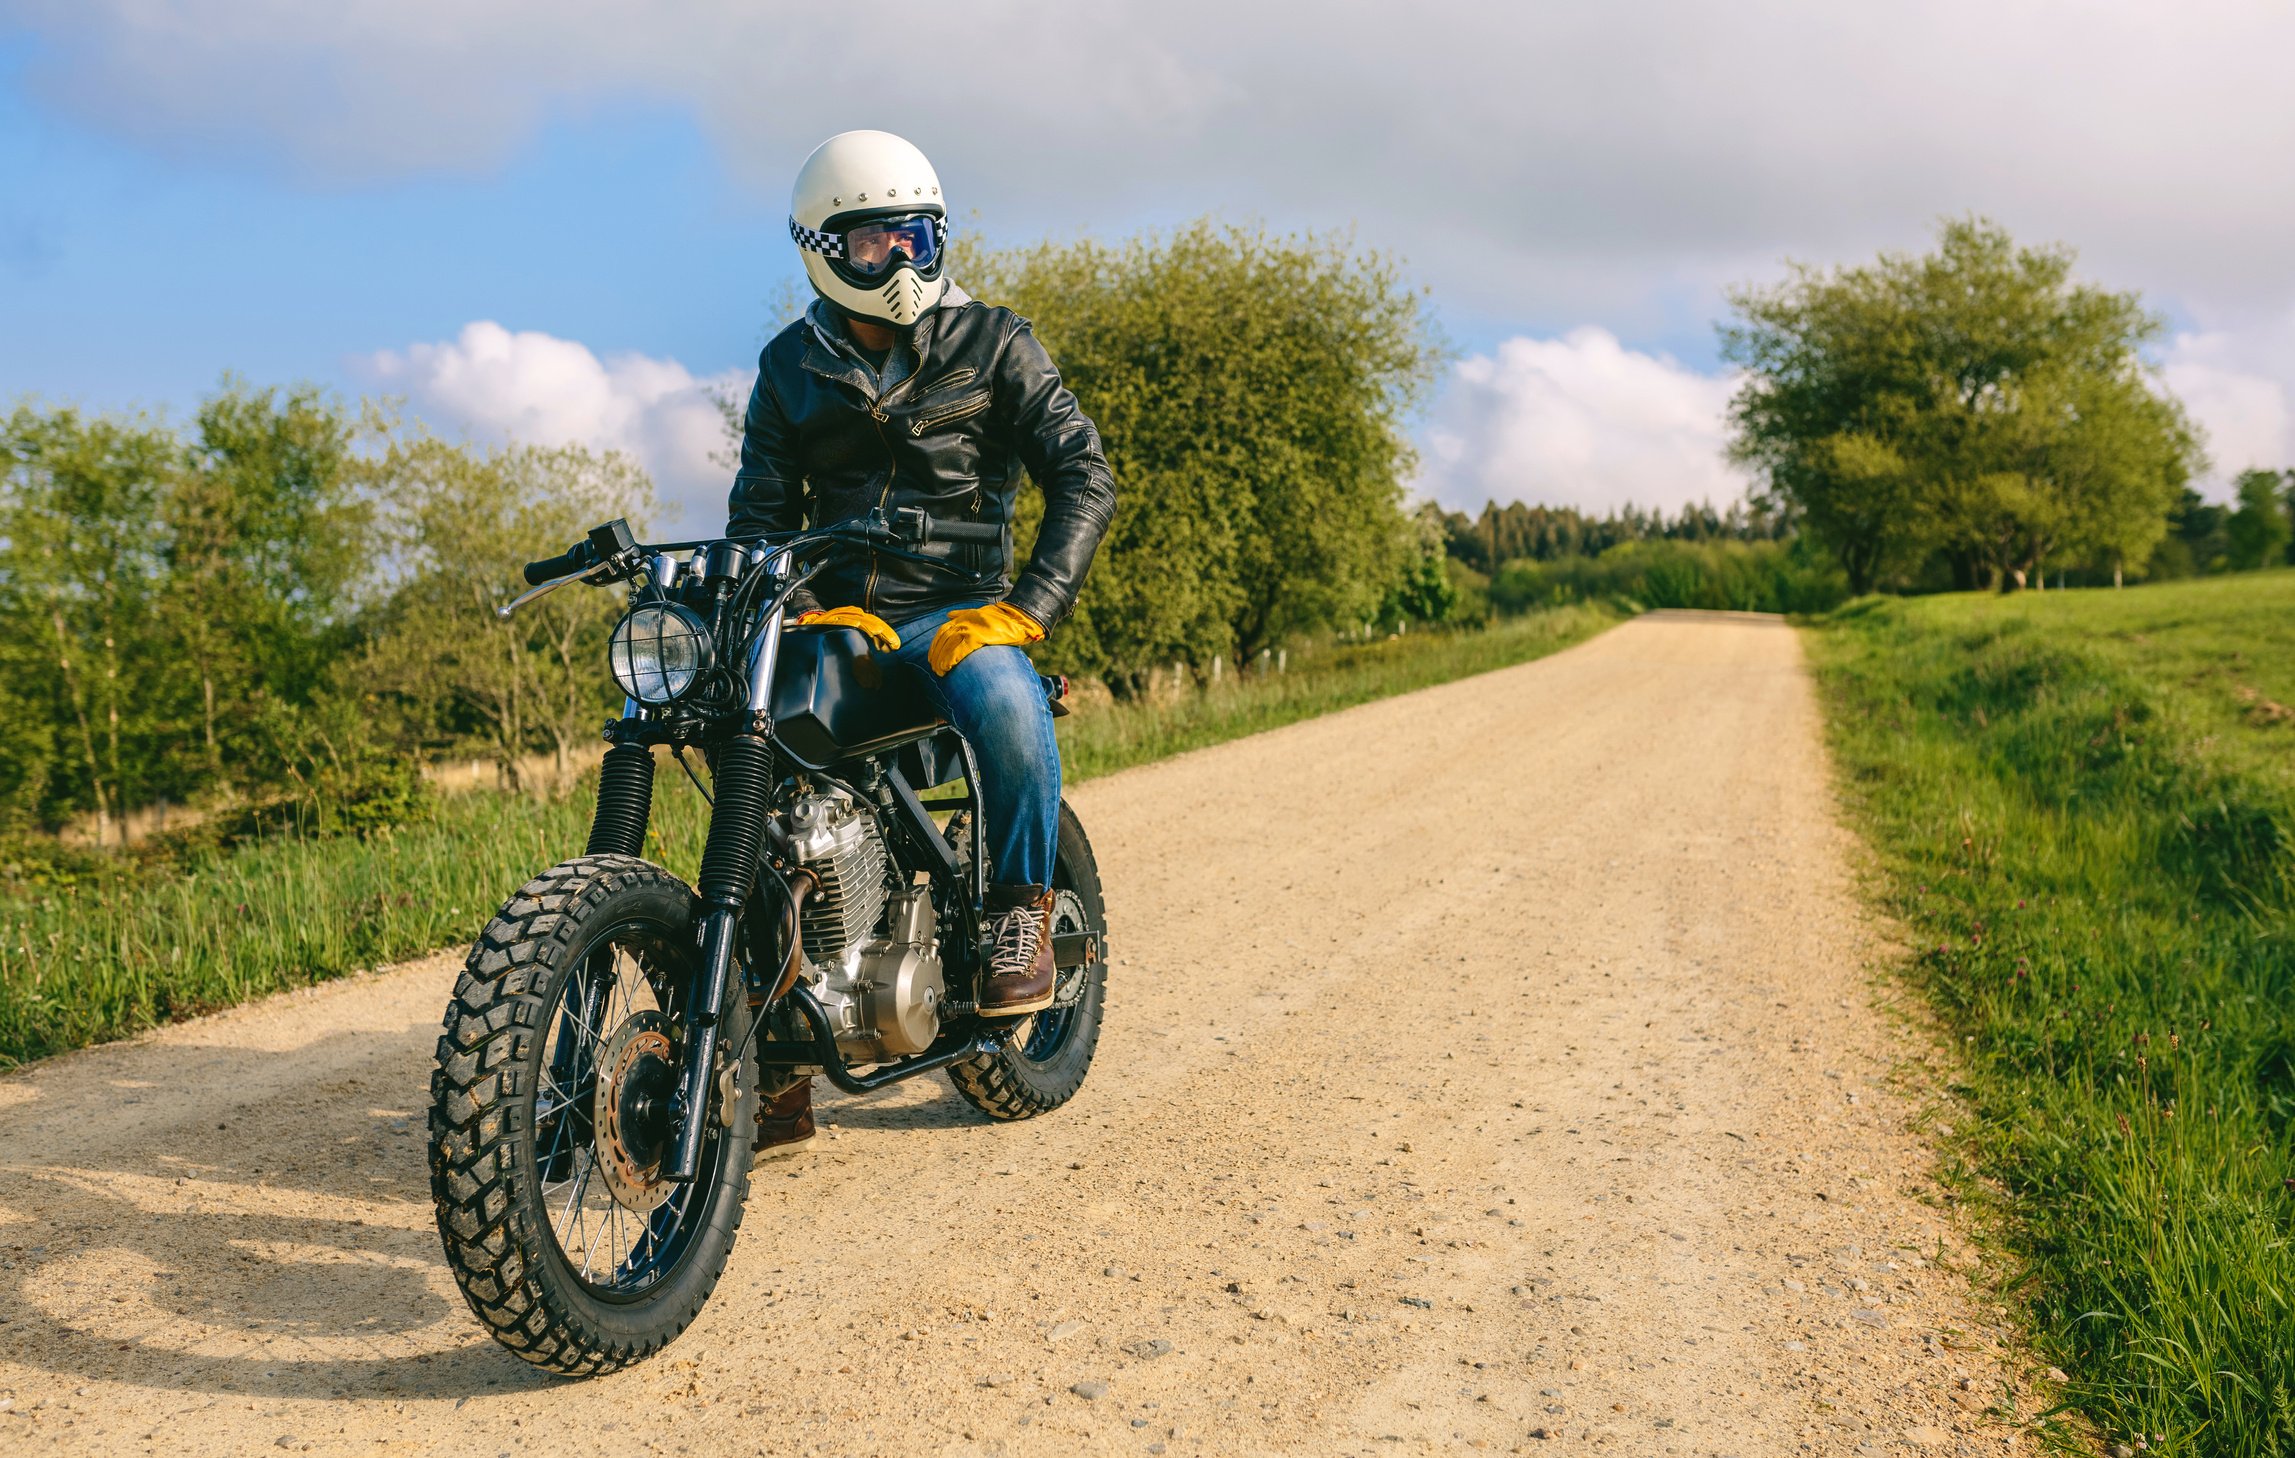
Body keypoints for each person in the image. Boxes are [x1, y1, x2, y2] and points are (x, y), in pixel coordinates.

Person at [730, 131, 1116, 1154]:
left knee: (1001, 694)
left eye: (913, 237)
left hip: (962, 612)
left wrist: (1029, 605)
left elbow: (1083, 471)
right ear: (822, 247)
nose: (897, 262)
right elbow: (761, 516)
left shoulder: (997, 342)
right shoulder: (789, 367)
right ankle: (772, 1049)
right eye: (871, 244)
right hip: (839, 616)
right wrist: (791, 604)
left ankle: (1020, 911)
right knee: (756, 752)